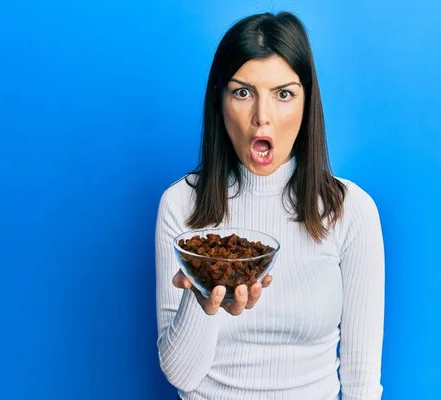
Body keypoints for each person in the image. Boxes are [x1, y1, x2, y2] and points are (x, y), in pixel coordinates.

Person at [155, 11, 385, 400]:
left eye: (283, 94)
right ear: (220, 99)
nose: (262, 118)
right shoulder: (181, 205)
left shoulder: (351, 211)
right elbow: (181, 375)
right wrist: (202, 299)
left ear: (307, 101)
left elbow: (362, 384)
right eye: (243, 92)